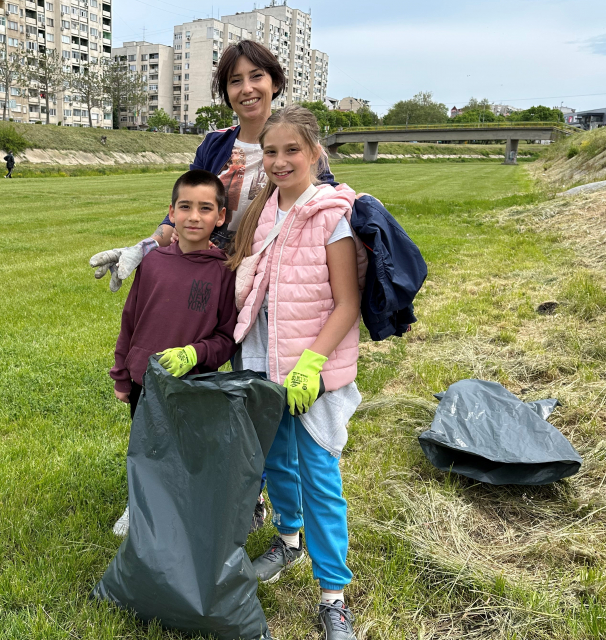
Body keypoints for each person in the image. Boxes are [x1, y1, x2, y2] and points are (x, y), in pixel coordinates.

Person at [229, 105, 366, 640]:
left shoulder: (333, 214)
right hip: (264, 365)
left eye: (292, 150)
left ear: (315, 153)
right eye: (271, 151)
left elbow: (347, 302)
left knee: (321, 478)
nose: (281, 161)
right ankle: (289, 540)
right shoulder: (265, 210)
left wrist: (312, 364)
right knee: (277, 463)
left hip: (314, 374)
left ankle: (333, 596)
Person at [89, 39, 336, 294]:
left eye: (256, 76)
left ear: (274, 82)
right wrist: (144, 247)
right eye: (235, 80)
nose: (247, 88)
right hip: (212, 279)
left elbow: (329, 205)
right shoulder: (214, 144)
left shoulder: (299, 146)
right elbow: (186, 208)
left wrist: (364, 206)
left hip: (275, 284)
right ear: (226, 91)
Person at [109, 169, 239, 536]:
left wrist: (195, 354)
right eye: (185, 207)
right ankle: (139, 505)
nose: (194, 217)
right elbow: (130, 321)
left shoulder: (225, 271)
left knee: (183, 450)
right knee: (145, 445)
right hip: (144, 379)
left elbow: (227, 337)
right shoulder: (152, 263)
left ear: (221, 216)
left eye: (205, 208)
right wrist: (122, 373)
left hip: (190, 384)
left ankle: (183, 508)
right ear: (172, 212)